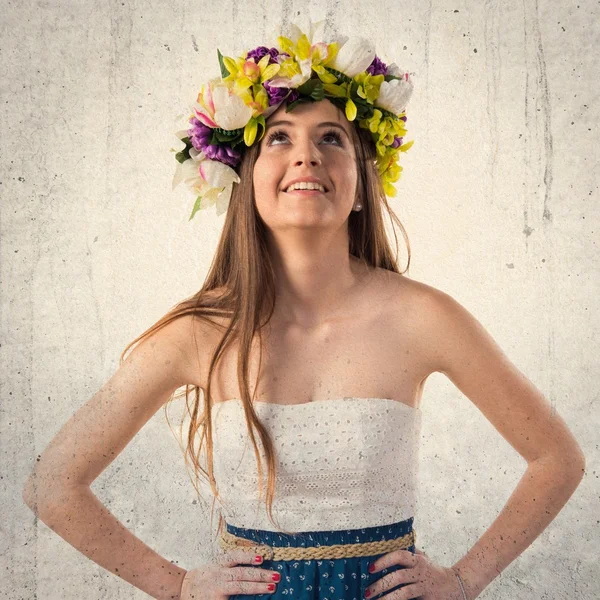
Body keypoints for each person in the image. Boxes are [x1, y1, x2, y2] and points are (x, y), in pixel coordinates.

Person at [22, 19, 585, 600]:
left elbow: (556, 457)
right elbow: (54, 484)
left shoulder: (425, 317)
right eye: (279, 137)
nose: (306, 156)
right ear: (245, 179)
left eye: (332, 138)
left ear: (364, 183)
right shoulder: (201, 333)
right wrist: (179, 586)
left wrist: (464, 581)